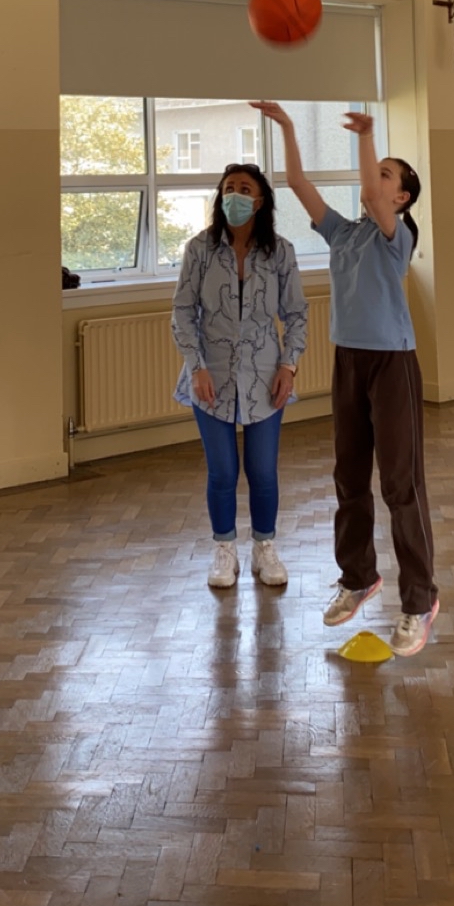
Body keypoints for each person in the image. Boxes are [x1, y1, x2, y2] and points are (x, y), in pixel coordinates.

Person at [251, 102, 437, 657]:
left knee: (400, 484)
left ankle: (420, 599)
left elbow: (374, 198)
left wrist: (367, 137)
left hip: (392, 365)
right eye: (375, 171)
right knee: (349, 477)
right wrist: (287, 127)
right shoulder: (345, 233)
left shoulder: (396, 234)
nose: (375, 181)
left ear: (402, 197)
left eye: (386, 175)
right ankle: (358, 577)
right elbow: (296, 183)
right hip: (348, 361)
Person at [172, 162, 307, 590]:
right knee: (222, 472)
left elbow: (297, 314)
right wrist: (196, 367)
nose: (234, 195)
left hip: (266, 376)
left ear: (260, 200)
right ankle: (224, 548)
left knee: (263, 470)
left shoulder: (280, 251)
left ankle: (264, 546)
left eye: (244, 188)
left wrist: (289, 365)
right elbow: (182, 312)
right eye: (228, 187)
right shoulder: (200, 249)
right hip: (209, 375)